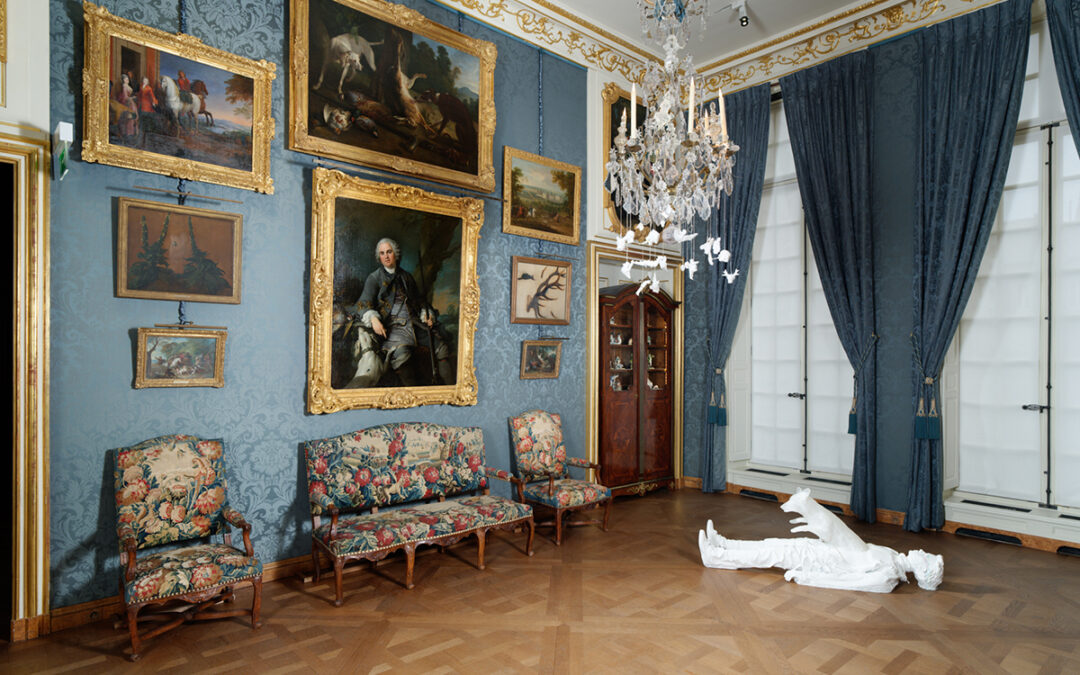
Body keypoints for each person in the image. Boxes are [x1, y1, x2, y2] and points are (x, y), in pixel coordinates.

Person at [697, 489, 944, 593]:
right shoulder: (893, 556)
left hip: (822, 561)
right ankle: (726, 545)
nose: (923, 551)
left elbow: (849, 583)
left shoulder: (888, 576)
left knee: (773, 554)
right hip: (825, 549)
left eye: (927, 557)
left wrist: (807, 577)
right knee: (773, 544)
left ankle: (717, 557)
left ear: (922, 571)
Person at [354, 237, 453, 386]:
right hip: (391, 328)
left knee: (442, 348)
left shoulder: (406, 276)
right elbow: (363, 303)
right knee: (402, 356)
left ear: (396, 254)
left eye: (389, 252)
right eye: (382, 253)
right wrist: (373, 319)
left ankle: (449, 389)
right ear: (379, 257)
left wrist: (427, 315)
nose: (386, 256)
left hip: (414, 325)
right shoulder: (374, 278)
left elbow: (419, 301)